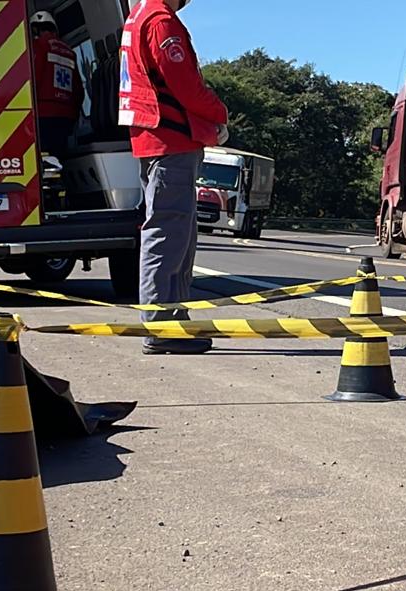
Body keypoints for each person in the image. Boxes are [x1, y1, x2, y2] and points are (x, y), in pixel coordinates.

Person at [118, 0, 229, 355]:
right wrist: (220, 113)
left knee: (176, 234)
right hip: (171, 139)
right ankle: (163, 326)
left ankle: (172, 320)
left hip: (156, 138)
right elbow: (184, 85)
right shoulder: (160, 21)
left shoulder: (138, 16)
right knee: (169, 233)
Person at [30, 11, 82, 157]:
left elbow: (34, 79)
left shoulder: (37, 46)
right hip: (65, 117)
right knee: (59, 158)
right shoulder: (70, 52)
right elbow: (78, 89)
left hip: (42, 115)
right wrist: (74, 114)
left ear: (35, 29)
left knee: (44, 160)